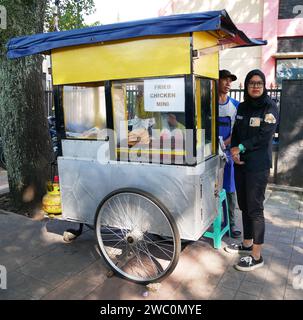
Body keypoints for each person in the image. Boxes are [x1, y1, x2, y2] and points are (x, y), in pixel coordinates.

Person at [225, 69, 279, 272]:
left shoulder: (270, 107)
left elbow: (264, 137)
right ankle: (247, 244)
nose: (255, 86)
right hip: (241, 164)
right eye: (251, 83)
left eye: (259, 83)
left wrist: (241, 147)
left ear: (264, 85)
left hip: (258, 166)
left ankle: (257, 256)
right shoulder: (243, 107)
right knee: (244, 205)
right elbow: (236, 131)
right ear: (247, 86)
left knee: (255, 209)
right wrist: (235, 151)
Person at [218, 70, 241, 238]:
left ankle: (231, 223)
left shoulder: (235, 105)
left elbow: (237, 132)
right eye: (224, 80)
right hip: (210, 153)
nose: (228, 84)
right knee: (212, 190)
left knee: (230, 190)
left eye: (230, 81)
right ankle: (214, 221)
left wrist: (224, 144)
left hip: (227, 153)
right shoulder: (208, 103)